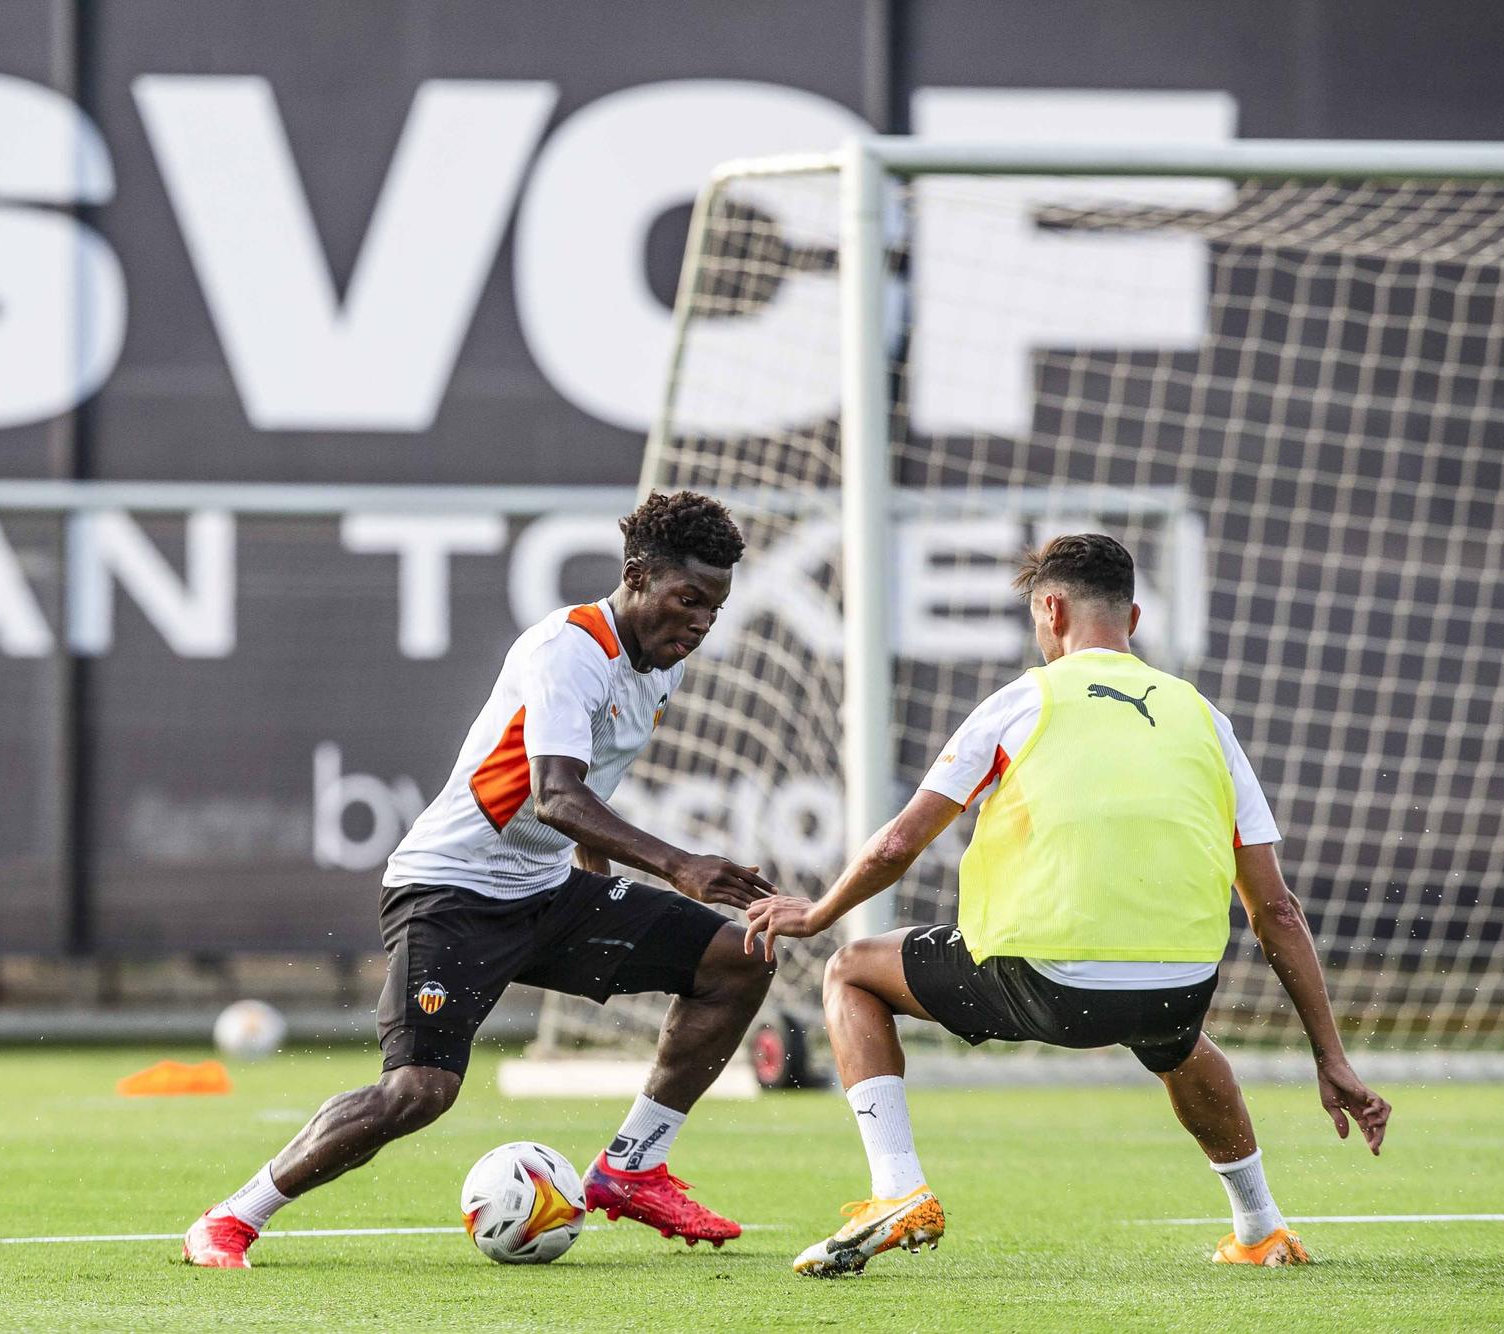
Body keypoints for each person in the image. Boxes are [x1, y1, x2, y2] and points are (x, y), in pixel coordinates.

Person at [743, 533, 1392, 1278]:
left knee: (851, 970)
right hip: (1176, 987)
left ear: (1050, 610)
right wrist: (1330, 1057)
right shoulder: (1205, 718)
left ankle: (897, 1188)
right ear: (1135, 618)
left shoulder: (1022, 701)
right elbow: (1277, 911)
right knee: (1183, 1048)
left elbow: (896, 847)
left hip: (1045, 983)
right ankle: (1262, 1228)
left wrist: (817, 913)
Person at [184, 491, 777, 1268]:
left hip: (544, 893)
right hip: (450, 893)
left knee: (738, 958)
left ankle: (631, 1168)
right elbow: (556, 794)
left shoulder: (655, 670)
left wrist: (595, 883)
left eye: (715, 608)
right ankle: (232, 1218)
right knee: (418, 1093)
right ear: (636, 577)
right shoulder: (569, 651)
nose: (701, 624)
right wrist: (679, 866)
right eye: (689, 601)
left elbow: (584, 799)